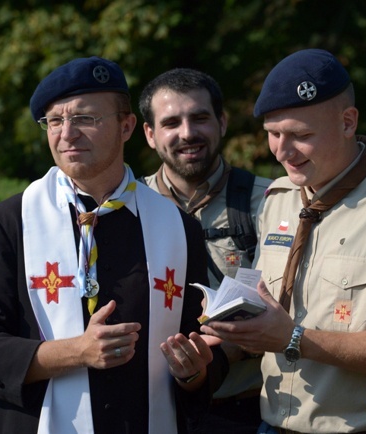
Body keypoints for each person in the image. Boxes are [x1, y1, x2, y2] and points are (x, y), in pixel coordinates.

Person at [201, 48, 366, 434]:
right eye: (273, 134)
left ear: (348, 122)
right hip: (270, 423)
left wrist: (296, 339)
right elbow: (270, 315)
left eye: (301, 136)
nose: (282, 151)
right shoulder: (279, 197)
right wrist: (223, 340)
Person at [0, 56, 228, 434]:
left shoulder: (177, 226)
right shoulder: (9, 223)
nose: (67, 134)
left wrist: (194, 371)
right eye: (55, 121)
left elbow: (203, 342)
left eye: (85, 119)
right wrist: (77, 352)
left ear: (127, 127)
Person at [139, 68, 272, 433]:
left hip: (246, 413)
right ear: (150, 135)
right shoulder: (128, 209)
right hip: (154, 413)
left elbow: (294, 307)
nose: (187, 133)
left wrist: (216, 360)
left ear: (222, 122)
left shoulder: (273, 202)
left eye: (199, 118)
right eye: (171, 123)